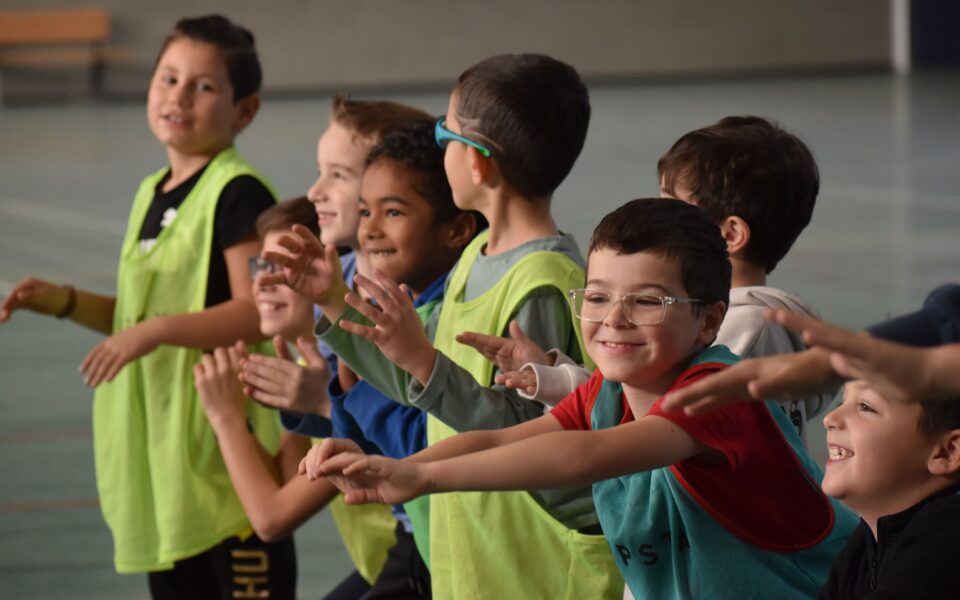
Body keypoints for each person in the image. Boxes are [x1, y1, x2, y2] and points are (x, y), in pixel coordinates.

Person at [306, 198, 857, 599]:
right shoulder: (606, 392)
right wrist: (401, 468)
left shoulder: (716, 392)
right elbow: (500, 440)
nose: (614, 318)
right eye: (596, 297)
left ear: (710, 320)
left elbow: (584, 456)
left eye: (647, 301)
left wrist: (423, 479)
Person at [263, 54, 625, 598]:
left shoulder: (542, 282)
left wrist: (422, 362)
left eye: (444, 134)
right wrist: (335, 301)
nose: (440, 147)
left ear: (477, 163)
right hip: (469, 553)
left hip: (531, 568)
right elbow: (419, 388)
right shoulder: (477, 254)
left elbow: (529, 438)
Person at [0, 15, 294, 599]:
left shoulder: (238, 192)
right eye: (168, 78)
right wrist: (65, 302)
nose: (178, 97)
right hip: (165, 468)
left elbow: (256, 311)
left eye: (203, 86)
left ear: (245, 110)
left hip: (223, 457)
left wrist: (155, 330)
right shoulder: (150, 192)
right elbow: (139, 318)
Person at [462, 116, 828, 443]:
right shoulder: (767, 325)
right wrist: (552, 375)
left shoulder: (744, 330)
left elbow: (649, 422)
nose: (658, 216)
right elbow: (637, 400)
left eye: (671, 204)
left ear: (729, 235)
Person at [193, 197, 397, 599]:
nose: (261, 283)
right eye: (260, 266)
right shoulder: (307, 365)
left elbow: (272, 519)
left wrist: (226, 418)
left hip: (418, 559)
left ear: (330, 271)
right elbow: (289, 479)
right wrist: (239, 413)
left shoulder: (348, 370)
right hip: (379, 563)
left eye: (282, 267)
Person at [660, 283, 960, 415]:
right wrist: (830, 364)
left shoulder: (750, 327)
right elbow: (943, 320)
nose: (829, 420)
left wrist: (930, 372)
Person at [818, 380, 960, 598]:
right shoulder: (859, 551)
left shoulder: (947, 544)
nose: (830, 418)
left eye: (865, 406)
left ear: (947, 452)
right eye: (841, 401)